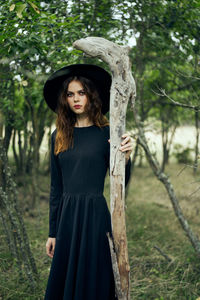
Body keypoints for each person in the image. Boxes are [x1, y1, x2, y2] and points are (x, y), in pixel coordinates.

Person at [43, 64, 133, 300]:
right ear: (65, 99)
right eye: (70, 94)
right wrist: (52, 232)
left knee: (95, 276)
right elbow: (56, 188)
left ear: (91, 95)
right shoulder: (58, 135)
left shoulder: (108, 133)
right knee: (66, 279)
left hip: (95, 215)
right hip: (67, 217)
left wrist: (127, 156)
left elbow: (121, 182)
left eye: (81, 93)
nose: (76, 99)